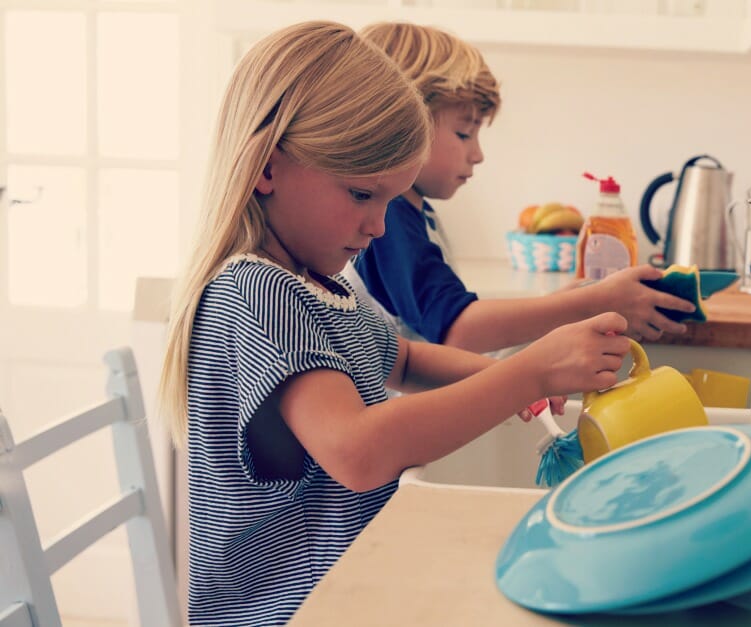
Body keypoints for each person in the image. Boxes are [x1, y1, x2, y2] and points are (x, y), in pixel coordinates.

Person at [157, 21, 629, 626]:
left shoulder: (322, 285)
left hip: (348, 593)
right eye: (362, 195)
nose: (379, 226)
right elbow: (356, 450)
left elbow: (404, 360)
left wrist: (511, 373)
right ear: (268, 170)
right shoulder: (256, 292)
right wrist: (526, 373)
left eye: (389, 200)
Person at [347, 21, 695, 354]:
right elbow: (457, 329)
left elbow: (450, 327)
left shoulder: (414, 214)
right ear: (402, 126)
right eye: (464, 133)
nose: (478, 154)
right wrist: (589, 303)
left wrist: (565, 305)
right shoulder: (389, 219)